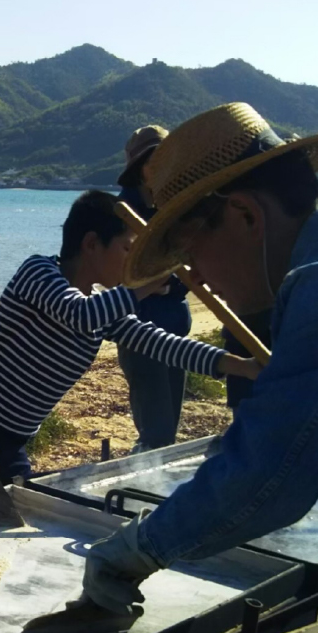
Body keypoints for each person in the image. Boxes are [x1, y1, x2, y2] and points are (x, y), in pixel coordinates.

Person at [75, 102, 318, 617]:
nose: (191, 278)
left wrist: (135, 550)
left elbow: (268, 475)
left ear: (246, 216)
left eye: (189, 252)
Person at [0, 190, 260, 502]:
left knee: (2, 522)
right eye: (128, 249)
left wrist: (240, 365)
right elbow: (78, 315)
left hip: (11, 440)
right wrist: (143, 286)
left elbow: (163, 345)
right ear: (92, 244)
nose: (132, 262)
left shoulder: (102, 304)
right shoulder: (39, 273)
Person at [116, 126, 192, 452]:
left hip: (175, 319)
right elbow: (117, 271)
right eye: (153, 162)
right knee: (155, 427)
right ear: (138, 168)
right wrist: (154, 284)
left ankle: (156, 479)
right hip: (141, 325)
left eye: (166, 161)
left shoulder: (177, 205)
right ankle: (144, 485)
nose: (160, 170)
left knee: (169, 421)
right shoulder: (122, 212)